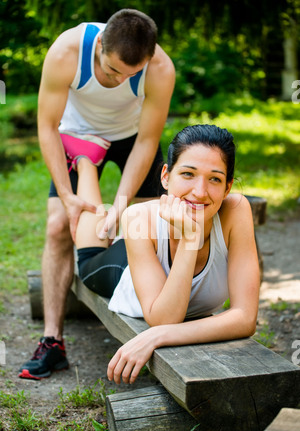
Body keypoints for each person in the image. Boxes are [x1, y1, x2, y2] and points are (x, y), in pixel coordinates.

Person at [19, 9, 175, 380]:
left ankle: (154, 330)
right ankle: (52, 342)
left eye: (130, 75)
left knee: (148, 227)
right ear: (100, 45)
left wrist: (121, 204)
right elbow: (46, 126)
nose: (120, 80)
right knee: (59, 224)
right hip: (78, 135)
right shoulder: (66, 52)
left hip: (132, 137)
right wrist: (66, 195)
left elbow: (148, 139)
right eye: (112, 71)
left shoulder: (160, 69)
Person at [70, 123, 260, 385]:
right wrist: (190, 238)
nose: (200, 191)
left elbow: (245, 317)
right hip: (122, 269)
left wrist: (156, 337)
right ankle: (85, 161)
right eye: (188, 174)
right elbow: (164, 318)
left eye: (214, 178)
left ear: (228, 188)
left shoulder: (236, 210)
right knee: (89, 256)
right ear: (166, 177)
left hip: (150, 248)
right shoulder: (138, 216)